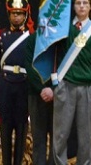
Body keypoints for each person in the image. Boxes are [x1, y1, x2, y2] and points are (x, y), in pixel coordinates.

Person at [53, 0, 91, 165]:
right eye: (78, 3)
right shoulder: (64, 30)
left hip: (88, 89)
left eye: (85, 3)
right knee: (60, 133)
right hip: (65, 86)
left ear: (90, 6)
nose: (82, 6)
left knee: (86, 135)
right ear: (73, 6)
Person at [0, 0, 34, 165]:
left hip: (24, 86)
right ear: (8, 14)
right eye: (14, 13)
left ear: (26, 14)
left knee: (21, 128)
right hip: (5, 85)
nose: (17, 17)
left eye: (20, 14)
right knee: (5, 127)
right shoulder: (1, 36)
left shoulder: (32, 37)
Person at [23, 32, 65, 165]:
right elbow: (28, 66)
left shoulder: (62, 39)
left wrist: (54, 90)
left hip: (57, 95)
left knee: (57, 141)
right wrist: (41, 88)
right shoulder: (32, 40)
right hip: (36, 94)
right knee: (39, 139)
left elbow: (66, 66)